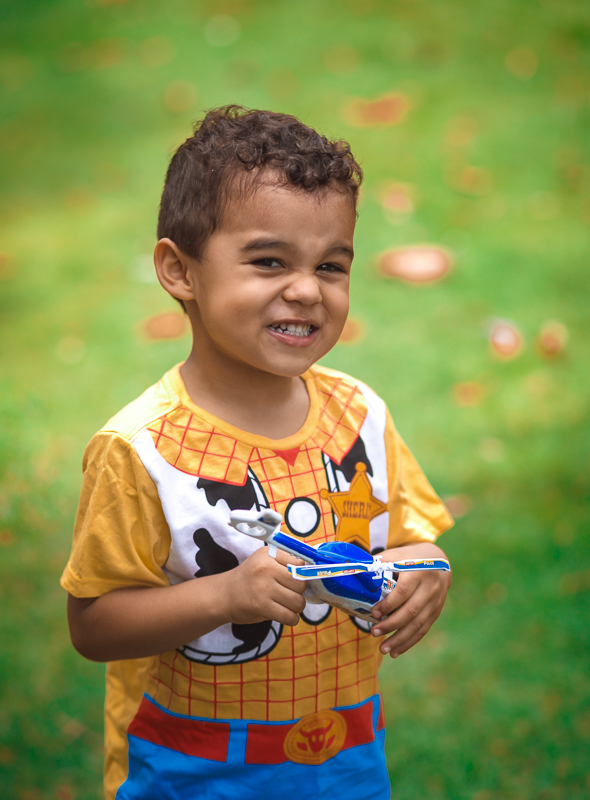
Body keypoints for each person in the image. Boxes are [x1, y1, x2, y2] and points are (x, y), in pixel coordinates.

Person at [61, 105, 453, 800]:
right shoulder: (140, 450)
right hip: (191, 766)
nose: (306, 289)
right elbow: (94, 625)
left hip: (345, 754)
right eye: (269, 261)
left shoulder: (361, 415)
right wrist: (225, 595)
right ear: (179, 271)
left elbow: (412, 542)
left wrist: (427, 572)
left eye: (331, 265)